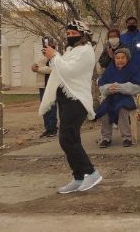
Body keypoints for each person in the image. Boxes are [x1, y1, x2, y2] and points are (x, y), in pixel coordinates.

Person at [39, 20, 102, 194]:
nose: (70, 36)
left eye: (74, 34)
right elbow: (59, 69)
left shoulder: (85, 50)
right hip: (66, 100)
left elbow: (68, 71)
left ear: (84, 35)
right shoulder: (71, 51)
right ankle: (79, 177)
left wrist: (54, 56)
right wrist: (53, 56)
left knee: (66, 139)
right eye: (68, 34)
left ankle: (91, 173)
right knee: (71, 139)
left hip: (77, 100)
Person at [95, 48, 140, 148]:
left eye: (123, 58)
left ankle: (127, 138)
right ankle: (106, 138)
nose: (120, 60)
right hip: (111, 97)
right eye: (117, 58)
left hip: (127, 97)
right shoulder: (110, 69)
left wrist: (119, 87)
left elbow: (138, 86)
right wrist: (108, 89)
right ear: (114, 59)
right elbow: (102, 86)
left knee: (122, 108)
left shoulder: (133, 69)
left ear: (127, 59)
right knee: (104, 110)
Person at [32, 52, 57, 138]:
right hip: (42, 85)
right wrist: (33, 67)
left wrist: (38, 69)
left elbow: (51, 69)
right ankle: (48, 129)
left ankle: (53, 129)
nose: (43, 50)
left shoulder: (53, 56)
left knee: (50, 108)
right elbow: (36, 66)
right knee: (44, 108)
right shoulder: (41, 57)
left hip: (49, 85)